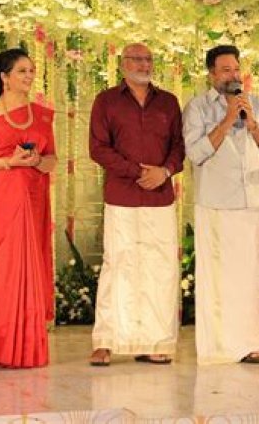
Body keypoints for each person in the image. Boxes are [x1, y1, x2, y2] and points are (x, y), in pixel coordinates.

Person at [183, 44, 259, 365]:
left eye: (236, 69)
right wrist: (226, 121)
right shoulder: (197, 107)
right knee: (219, 278)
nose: (233, 75)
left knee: (250, 276)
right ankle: (219, 347)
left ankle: (251, 344)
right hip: (216, 202)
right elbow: (195, 153)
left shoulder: (255, 104)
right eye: (226, 70)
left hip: (251, 201)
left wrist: (252, 124)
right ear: (211, 74)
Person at [88, 43, 184, 366]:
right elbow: (98, 148)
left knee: (160, 268)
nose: (144, 65)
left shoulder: (168, 102)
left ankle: (155, 341)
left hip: (160, 198)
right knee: (118, 265)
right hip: (122, 196)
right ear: (123, 64)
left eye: (148, 60)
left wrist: (164, 171)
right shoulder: (106, 101)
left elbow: (179, 146)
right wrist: (137, 172)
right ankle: (106, 341)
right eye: (137, 59)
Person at [0, 48, 57, 368]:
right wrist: (8, 161)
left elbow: (52, 160)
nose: (29, 76)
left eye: (31, 70)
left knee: (32, 268)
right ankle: (3, 348)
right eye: (22, 71)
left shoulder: (43, 114)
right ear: (4, 77)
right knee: (3, 273)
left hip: (33, 200)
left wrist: (36, 160)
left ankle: (30, 349)